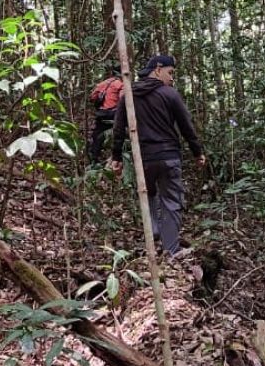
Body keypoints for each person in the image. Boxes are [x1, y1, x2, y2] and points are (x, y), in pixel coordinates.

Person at [109, 54, 206, 256]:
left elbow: (118, 129)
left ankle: (153, 238)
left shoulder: (129, 95)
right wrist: (197, 152)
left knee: (148, 195)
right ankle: (171, 250)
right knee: (171, 201)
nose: (172, 78)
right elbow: (186, 126)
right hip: (169, 157)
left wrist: (116, 158)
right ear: (158, 69)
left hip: (143, 158)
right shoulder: (169, 94)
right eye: (170, 73)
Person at [87, 64, 124, 165]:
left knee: (98, 136)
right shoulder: (120, 84)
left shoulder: (103, 83)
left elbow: (92, 97)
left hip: (101, 113)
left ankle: (94, 158)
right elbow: (123, 99)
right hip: (113, 113)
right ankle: (116, 158)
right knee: (119, 134)